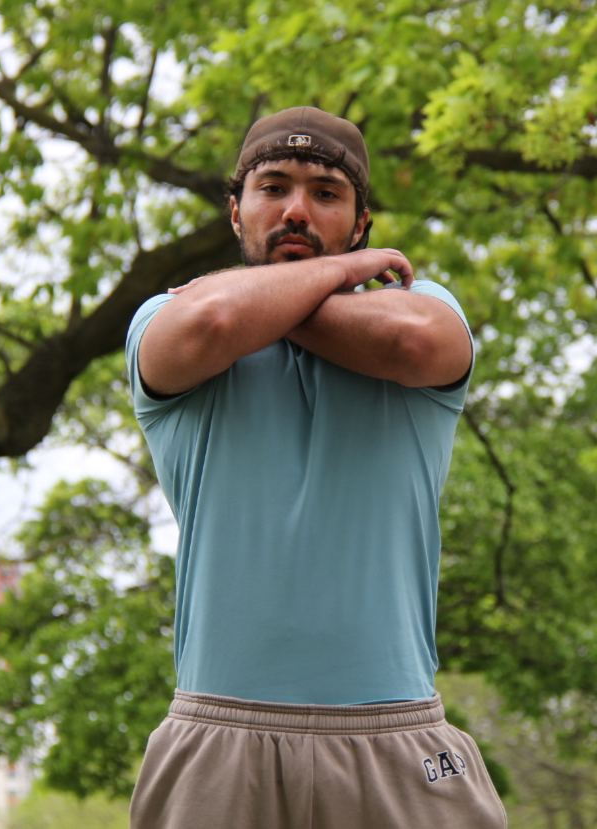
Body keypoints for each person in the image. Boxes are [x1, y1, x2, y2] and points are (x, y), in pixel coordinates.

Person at [125, 106, 506, 828]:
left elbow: (415, 344)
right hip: (218, 744)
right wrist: (334, 276)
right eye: (274, 188)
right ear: (236, 211)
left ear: (361, 224)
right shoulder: (168, 319)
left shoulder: (423, 308)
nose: (298, 209)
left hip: (396, 739)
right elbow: (211, 326)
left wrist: (270, 291)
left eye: (326, 194)